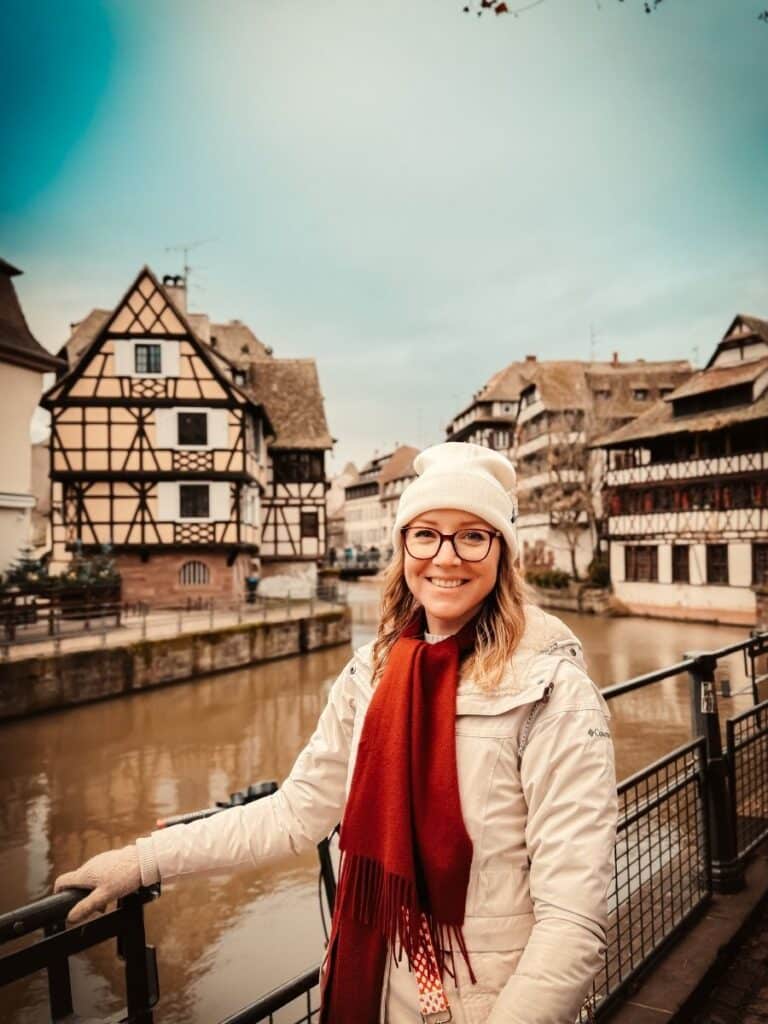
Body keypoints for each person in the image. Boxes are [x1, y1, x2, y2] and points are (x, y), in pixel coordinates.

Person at [54, 442, 617, 1024]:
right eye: (426, 533)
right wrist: (144, 861)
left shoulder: (555, 696)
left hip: (485, 1005)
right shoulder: (371, 675)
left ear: (503, 553)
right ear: (404, 548)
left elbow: (571, 923)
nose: (446, 557)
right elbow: (294, 814)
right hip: (372, 992)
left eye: (473, 536)